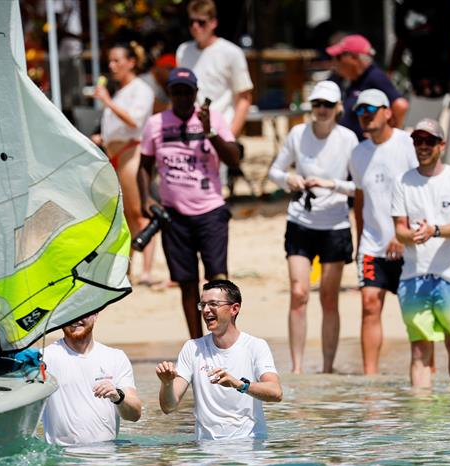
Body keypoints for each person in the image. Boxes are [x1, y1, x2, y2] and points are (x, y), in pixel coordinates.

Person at [138, 67, 239, 339]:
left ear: (196, 93)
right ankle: (196, 343)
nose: (182, 97)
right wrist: (146, 197)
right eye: (176, 92)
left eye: (187, 92)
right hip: (174, 216)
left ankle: (223, 339)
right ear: (170, 94)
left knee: (218, 280)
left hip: (211, 212)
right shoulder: (156, 124)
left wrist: (209, 132)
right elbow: (144, 166)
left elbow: (234, 159)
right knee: (186, 282)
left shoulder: (213, 118)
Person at [268, 81, 358, 374]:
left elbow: (358, 186)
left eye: (328, 105)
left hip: (335, 223)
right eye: (317, 104)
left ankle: (328, 368)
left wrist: (331, 184)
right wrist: (289, 180)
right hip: (301, 220)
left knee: (329, 297)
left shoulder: (348, 139)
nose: (321, 110)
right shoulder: (297, 133)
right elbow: (275, 171)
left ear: (338, 109)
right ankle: (296, 368)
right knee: (299, 293)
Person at [156, 280, 282, 440]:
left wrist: (238, 384)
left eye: (213, 304)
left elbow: (276, 393)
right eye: (203, 305)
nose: (206, 310)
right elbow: (168, 407)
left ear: (234, 309)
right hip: (206, 452)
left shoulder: (255, 346)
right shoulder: (192, 348)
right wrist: (166, 383)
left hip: (249, 449)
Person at [348, 89, 418, 375]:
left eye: (372, 110)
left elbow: (419, 191)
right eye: (361, 112)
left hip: (407, 243)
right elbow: (361, 198)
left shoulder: (407, 144)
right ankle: (371, 381)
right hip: (371, 245)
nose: (365, 116)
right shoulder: (358, 152)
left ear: (388, 112)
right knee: (369, 304)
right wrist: (359, 243)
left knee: (412, 313)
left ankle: (423, 377)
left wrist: (403, 233)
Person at [391, 119, 450, 389]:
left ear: (441, 145)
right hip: (414, 275)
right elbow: (399, 230)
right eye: (417, 141)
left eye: (429, 141)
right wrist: (414, 235)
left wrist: (435, 231)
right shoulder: (402, 181)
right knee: (419, 350)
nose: (422, 146)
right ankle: (420, 424)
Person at [94, 42, 157, 286]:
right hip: (116, 153)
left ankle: (147, 270)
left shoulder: (140, 89)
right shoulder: (121, 91)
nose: (112, 66)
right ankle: (129, 270)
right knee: (124, 217)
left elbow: (134, 121)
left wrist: (107, 102)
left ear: (131, 62)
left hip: (132, 152)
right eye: (110, 61)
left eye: (117, 60)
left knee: (138, 213)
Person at [41, 313, 142, 446]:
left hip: (107, 459)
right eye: (69, 312)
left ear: (95, 314)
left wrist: (118, 396)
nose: (75, 319)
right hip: (63, 461)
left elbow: (134, 415)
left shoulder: (115, 357)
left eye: (83, 312)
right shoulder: (44, 358)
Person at [175, 0, 253, 139]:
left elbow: (244, 98)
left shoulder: (231, 52)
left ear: (213, 23)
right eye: (191, 22)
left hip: (221, 130)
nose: (195, 26)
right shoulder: (183, 51)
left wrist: (230, 136)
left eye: (201, 22)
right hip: (190, 132)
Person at [326, 34, 408, 140]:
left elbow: (400, 106)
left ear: (354, 58)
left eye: (338, 57)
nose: (335, 62)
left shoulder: (375, 76)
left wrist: (388, 136)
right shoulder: (355, 79)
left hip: (369, 149)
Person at [389, 0, 450, 97]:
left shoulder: (444, 3)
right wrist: (391, 70)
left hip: (442, 74)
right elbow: (401, 43)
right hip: (418, 76)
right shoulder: (404, 8)